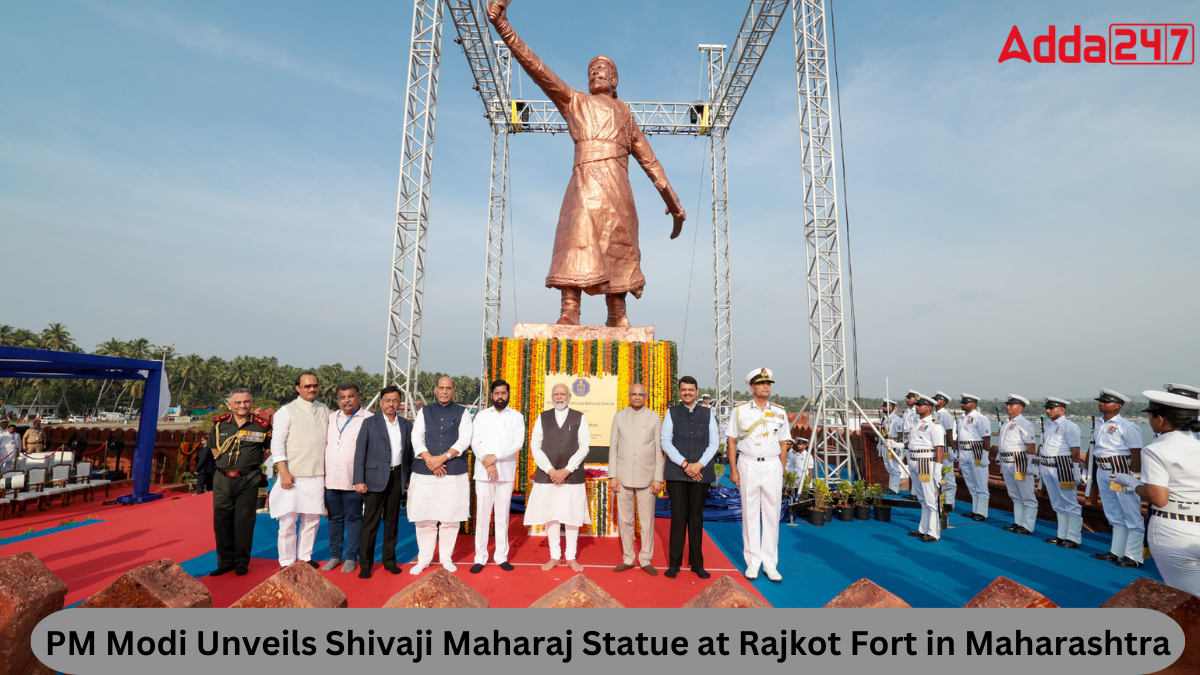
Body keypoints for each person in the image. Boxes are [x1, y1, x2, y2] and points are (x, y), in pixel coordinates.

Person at [487, 0, 686, 327]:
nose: (595, 71)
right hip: (584, 184)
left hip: (618, 188)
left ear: (615, 79)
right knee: (574, 239)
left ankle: (617, 314)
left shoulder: (626, 117)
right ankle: (569, 310)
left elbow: (652, 163)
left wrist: (673, 204)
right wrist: (502, 25)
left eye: (603, 69)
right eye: (592, 68)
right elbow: (536, 68)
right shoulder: (574, 101)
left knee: (619, 247)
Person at [1111, 390, 1200, 597]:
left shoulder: (1156, 450)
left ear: (1160, 419)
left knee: (1185, 597)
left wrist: (1131, 482)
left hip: (1174, 526)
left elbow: (1158, 498)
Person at [727, 368, 789, 582]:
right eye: (761, 384)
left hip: (772, 465)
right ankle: (753, 561)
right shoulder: (740, 411)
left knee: (772, 515)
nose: (766, 387)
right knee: (750, 513)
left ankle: (770, 563)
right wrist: (733, 469)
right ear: (752, 387)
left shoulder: (780, 412)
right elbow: (732, 440)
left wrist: (781, 471)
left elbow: (783, 444)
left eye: (769, 383)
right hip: (748, 464)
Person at [409, 376, 473, 574]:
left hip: (452, 472)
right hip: (425, 472)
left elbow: (464, 440)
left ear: (454, 391)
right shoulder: (424, 411)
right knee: (424, 518)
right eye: (441, 388)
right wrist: (431, 460)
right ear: (435, 390)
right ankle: (424, 559)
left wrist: (442, 458)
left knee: (450, 519)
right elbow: (416, 436)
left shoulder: (463, 412)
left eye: (448, 388)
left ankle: (446, 558)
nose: (444, 391)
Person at [525, 383, 591, 571]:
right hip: (548, 476)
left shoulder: (579, 417)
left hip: (572, 475)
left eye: (563, 394)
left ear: (570, 397)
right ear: (551, 397)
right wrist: (550, 470)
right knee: (551, 514)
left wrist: (567, 470)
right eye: (556, 394)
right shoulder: (543, 417)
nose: (559, 397)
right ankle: (554, 556)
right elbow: (535, 446)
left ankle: (570, 556)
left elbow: (584, 446)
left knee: (572, 515)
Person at [267, 372, 328, 569]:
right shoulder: (285, 411)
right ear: (298, 388)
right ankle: (286, 561)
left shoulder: (324, 409)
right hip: (293, 475)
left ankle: (305, 556)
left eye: (315, 385)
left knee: (312, 520)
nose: (312, 389)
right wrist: (283, 472)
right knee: (288, 521)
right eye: (307, 386)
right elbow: (277, 444)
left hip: (317, 474)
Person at [662, 375, 719, 579]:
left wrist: (699, 465)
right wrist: (686, 465)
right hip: (678, 472)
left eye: (691, 390)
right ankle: (674, 563)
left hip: (700, 473)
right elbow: (665, 441)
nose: (687, 392)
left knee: (696, 518)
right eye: (684, 389)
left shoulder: (708, 413)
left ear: (696, 391)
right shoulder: (671, 412)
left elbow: (714, 443)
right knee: (678, 517)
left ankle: (697, 563)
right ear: (679, 392)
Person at [210, 388, 272, 576]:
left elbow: (267, 451)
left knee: (244, 522)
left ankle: (241, 562)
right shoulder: (220, 425)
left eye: (246, 401)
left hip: (248, 479)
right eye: (238, 402)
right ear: (230, 405)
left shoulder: (262, 425)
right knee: (221, 522)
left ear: (252, 403)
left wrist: (248, 465)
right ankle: (225, 563)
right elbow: (215, 450)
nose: (242, 405)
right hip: (222, 478)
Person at [354, 386, 412, 579]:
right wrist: (359, 480)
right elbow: (360, 453)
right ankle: (365, 565)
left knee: (392, 523)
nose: (391, 404)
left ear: (399, 403)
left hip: (397, 478)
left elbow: (409, 454)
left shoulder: (406, 424)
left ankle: (389, 561)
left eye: (395, 400)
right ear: (381, 402)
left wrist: (408, 478)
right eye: (387, 400)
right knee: (370, 524)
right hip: (374, 479)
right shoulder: (370, 423)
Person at [469, 379, 525, 574]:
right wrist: (488, 462)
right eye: (496, 393)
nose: (500, 396)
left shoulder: (517, 417)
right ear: (491, 395)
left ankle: (501, 556)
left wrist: (495, 457)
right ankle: (480, 557)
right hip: (484, 472)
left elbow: (517, 443)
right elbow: (475, 441)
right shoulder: (482, 416)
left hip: (506, 473)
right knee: (482, 517)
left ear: (508, 395)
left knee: (502, 517)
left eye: (503, 393)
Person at [609, 383, 665, 576]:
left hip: (648, 477)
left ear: (646, 396)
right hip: (622, 477)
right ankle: (628, 558)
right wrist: (612, 475)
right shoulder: (619, 416)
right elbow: (613, 447)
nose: (637, 397)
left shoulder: (655, 417)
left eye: (641, 394)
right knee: (625, 520)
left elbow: (659, 449)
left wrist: (658, 477)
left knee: (647, 521)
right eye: (634, 394)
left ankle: (645, 559)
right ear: (629, 396)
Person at [1089, 388, 1145, 568]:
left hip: (1120, 469)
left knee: (1130, 511)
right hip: (1103, 469)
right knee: (1113, 512)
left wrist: (1134, 477)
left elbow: (1136, 453)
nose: (1101, 403)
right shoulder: (1098, 425)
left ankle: (1135, 556)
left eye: (1106, 401)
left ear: (1118, 405)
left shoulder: (1127, 426)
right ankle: (1116, 551)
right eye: (1100, 401)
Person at [323, 383, 372, 573]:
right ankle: (335, 556)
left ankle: (351, 556)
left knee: (353, 519)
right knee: (334, 519)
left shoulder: (368, 418)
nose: (347, 400)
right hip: (331, 480)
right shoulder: (330, 418)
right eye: (342, 397)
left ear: (358, 397)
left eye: (350, 396)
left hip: (354, 480)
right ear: (338, 400)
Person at [1037, 396, 1083, 548]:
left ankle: (1074, 537)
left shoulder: (1069, 426)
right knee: (1057, 502)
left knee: (1070, 502)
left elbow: (1075, 450)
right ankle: (1062, 534)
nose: (1048, 410)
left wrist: (1075, 471)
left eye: (1052, 408)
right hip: (1047, 465)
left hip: (1063, 466)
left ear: (1062, 410)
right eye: (1047, 408)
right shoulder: (1049, 426)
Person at [906, 394, 946, 543]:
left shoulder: (935, 425)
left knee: (930, 499)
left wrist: (937, 470)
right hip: (915, 460)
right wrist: (896, 445)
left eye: (919, 405)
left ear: (928, 407)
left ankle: (934, 532)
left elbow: (939, 449)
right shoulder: (917, 423)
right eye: (916, 405)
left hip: (926, 462)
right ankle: (923, 528)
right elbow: (912, 443)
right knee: (922, 498)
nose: (916, 407)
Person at [997, 394, 1038, 535]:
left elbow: (1031, 446)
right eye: (1007, 404)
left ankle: (1028, 525)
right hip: (1007, 461)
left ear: (1020, 408)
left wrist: (1031, 465)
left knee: (1027, 495)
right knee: (1015, 494)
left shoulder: (1024, 424)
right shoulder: (1006, 423)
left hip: (1020, 461)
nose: (1008, 406)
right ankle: (1018, 522)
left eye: (1011, 404)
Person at [956, 394, 993, 522]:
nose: (962, 404)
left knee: (981, 483)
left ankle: (982, 512)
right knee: (971, 483)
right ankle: (975, 510)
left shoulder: (980, 418)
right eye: (962, 402)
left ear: (973, 404)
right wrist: (957, 452)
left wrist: (985, 456)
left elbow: (986, 438)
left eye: (965, 403)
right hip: (964, 451)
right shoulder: (960, 418)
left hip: (976, 450)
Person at [932, 392, 957, 512]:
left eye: (938, 399)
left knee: (948, 478)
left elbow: (950, 434)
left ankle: (949, 503)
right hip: (937, 448)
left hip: (946, 448)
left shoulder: (945, 415)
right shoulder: (935, 414)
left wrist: (951, 450)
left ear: (943, 402)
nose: (935, 401)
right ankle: (942, 501)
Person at [879, 400, 905, 494]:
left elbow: (899, 434)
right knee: (889, 467)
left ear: (891, 407)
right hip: (885, 444)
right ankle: (891, 487)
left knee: (894, 467)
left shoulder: (896, 418)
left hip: (893, 444)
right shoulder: (884, 418)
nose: (883, 408)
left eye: (885, 406)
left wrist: (897, 447)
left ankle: (894, 489)